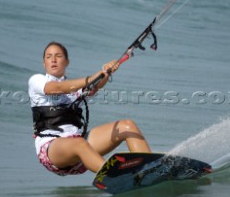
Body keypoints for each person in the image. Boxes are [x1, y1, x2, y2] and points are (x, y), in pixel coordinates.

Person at [28, 41, 151, 176]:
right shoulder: (36, 81)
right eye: (48, 56)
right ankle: (116, 176)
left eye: (58, 56)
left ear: (67, 62)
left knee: (127, 126)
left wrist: (106, 72)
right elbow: (56, 88)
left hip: (82, 151)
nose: (53, 60)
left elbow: (95, 85)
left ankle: (148, 170)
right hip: (51, 150)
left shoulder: (76, 89)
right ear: (44, 63)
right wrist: (90, 79)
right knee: (78, 143)